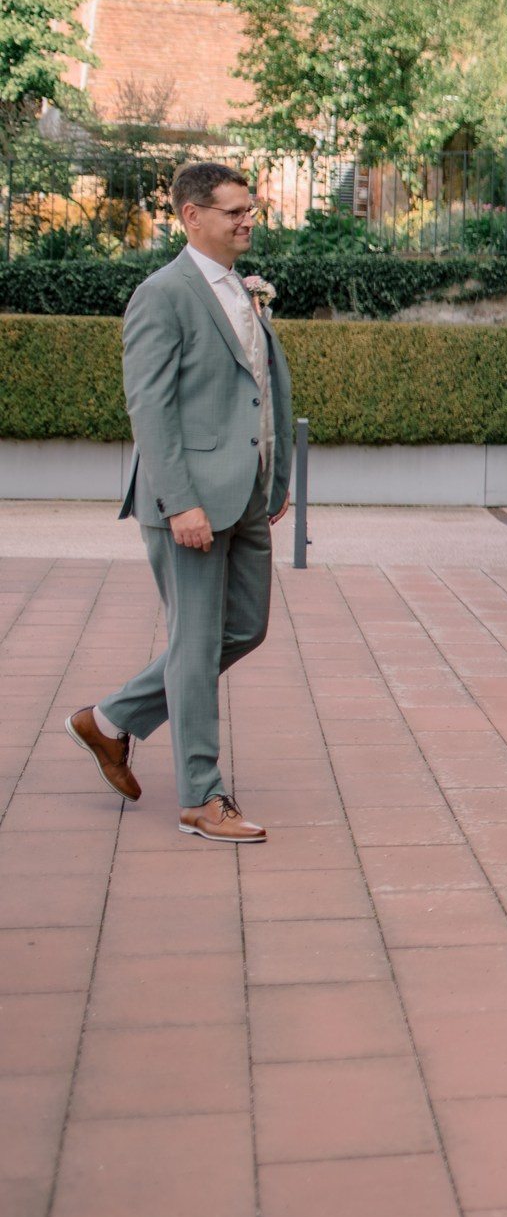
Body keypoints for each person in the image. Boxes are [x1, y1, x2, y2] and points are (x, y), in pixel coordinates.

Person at [63, 161, 292, 844]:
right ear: (192, 216)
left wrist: (273, 479)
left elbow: (257, 390)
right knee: (193, 646)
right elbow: (151, 409)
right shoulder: (161, 295)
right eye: (233, 211)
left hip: (247, 493)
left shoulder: (242, 288)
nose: (247, 220)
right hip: (190, 501)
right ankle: (200, 796)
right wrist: (179, 502)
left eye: (250, 209)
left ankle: (110, 719)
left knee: (244, 627)